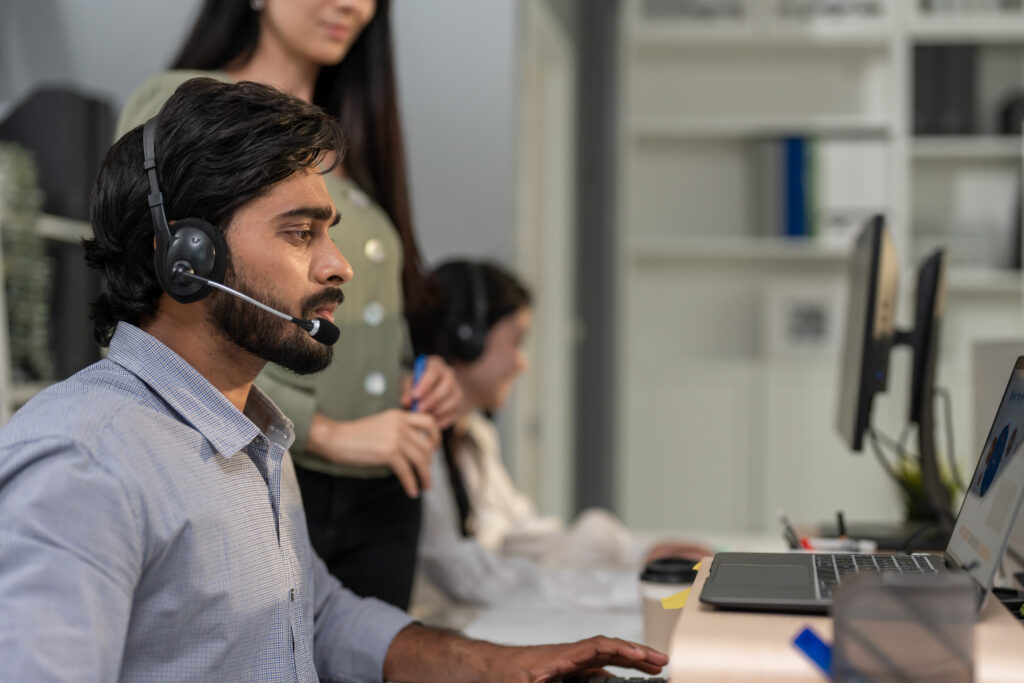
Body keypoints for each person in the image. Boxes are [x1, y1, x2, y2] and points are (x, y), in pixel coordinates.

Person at [0, 76, 668, 682]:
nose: (339, 266)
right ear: (183, 259)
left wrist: (500, 664)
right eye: (300, 233)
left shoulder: (253, 436)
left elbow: (314, 618)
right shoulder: (84, 466)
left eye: (330, 232)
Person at [116, 0, 459, 609]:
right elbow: (152, 296)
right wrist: (324, 432)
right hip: (270, 471)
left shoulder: (352, 135)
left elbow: (368, 304)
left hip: (385, 493)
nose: (351, 6)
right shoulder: (184, 103)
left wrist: (421, 373)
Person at [409, 260, 713, 614]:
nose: (522, 363)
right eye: (517, 341)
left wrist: (643, 554)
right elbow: (473, 582)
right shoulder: (418, 440)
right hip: (444, 634)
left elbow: (525, 539)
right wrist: (646, 590)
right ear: (467, 338)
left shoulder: (475, 434)